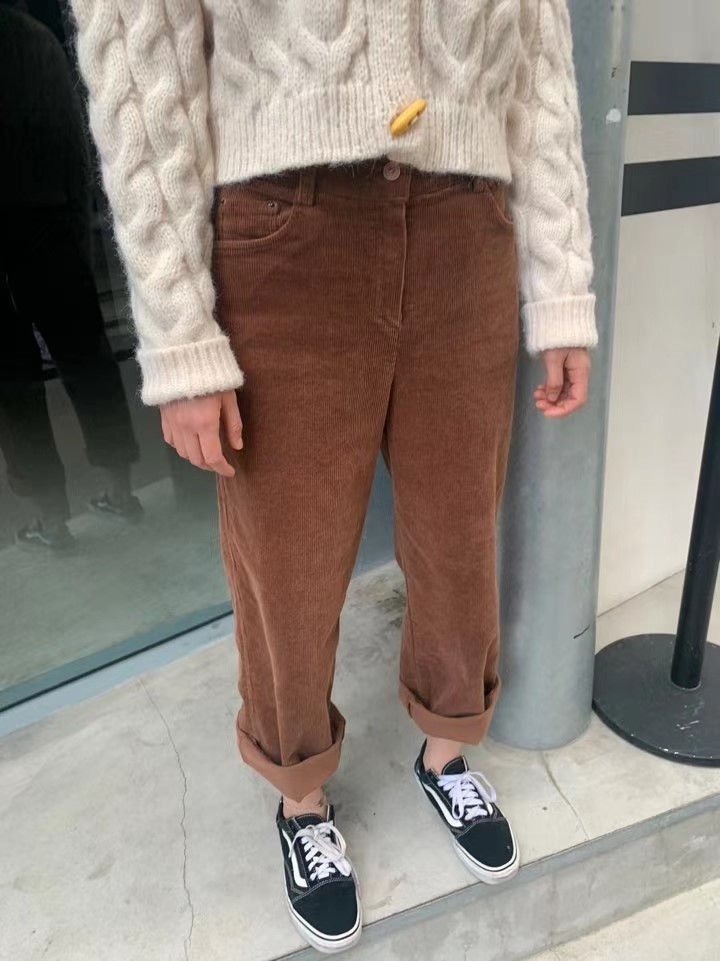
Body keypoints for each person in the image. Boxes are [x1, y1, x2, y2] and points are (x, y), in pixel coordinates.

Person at [70, 1, 596, 952]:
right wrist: (180, 330)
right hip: (284, 230)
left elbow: (542, 62)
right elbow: (142, 60)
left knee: (460, 529)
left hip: (467, 224)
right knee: (287, 558)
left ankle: (446, 750)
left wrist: (561, 287)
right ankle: (301, 797)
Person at [0, 3, 141, 551]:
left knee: (12, 381)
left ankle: (48, 518)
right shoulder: (37, 38)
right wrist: (79, 223)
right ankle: (119, 487)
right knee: (87, 357)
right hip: (51, 219)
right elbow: (73, 140)